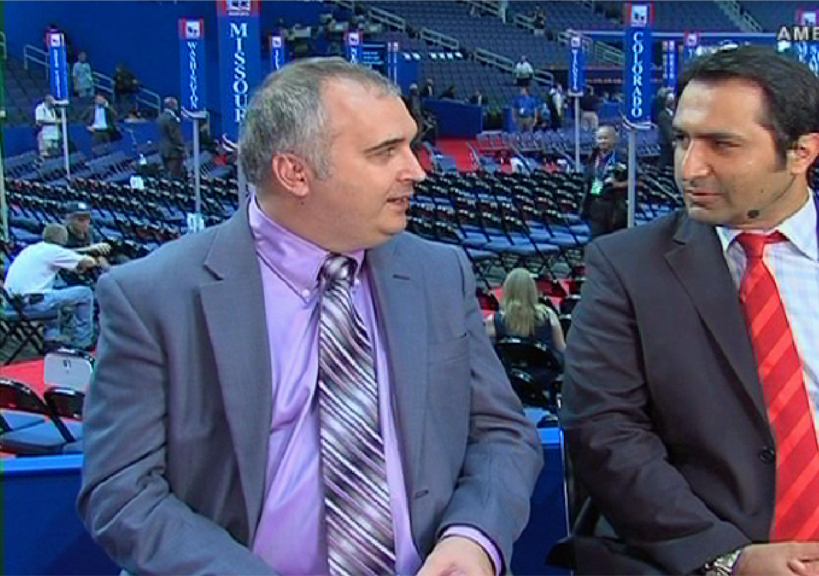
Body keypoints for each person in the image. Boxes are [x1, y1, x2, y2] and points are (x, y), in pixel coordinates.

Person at [77, 57, 542, 576]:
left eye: (410, 144)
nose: (416, 169)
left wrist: (473, 536)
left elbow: (503, 435)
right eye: (385, 151)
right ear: (295, 172)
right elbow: (121, 491)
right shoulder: (152, 297)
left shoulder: (439, 271)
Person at [561, 45, 819, 576]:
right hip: (695, 556)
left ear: (802, 151)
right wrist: (727, 558)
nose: (690, 166)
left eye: (722, 144)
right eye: (682, 139)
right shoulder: (625, 267)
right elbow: (603, 431)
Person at [3, 223, 97, 351]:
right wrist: (93, 254)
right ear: (64, 238)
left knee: (54, 294)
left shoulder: (31, 249)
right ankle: (82, 341)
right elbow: (89, 262)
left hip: (12, 303)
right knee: (85, 293)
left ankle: (52, 339)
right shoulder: (54, 251)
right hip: (32, 303)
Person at [484, 268, 567, 357]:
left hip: (508, 370)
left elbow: (487, 354)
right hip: (544, 369)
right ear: (533, 290)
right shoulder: (548, 315)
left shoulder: (492, 320)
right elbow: (562, 350)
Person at [580, 125, 627, 239]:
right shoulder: (592, 157)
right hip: (596, 205)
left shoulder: (623, 157)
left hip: (615, 207)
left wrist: (618, 184)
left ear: (613, 140)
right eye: (600, 138)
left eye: (606, 138)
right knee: (596, 241)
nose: (602, 141)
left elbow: (638, 181)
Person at [157, 97, 186, 180]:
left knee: (166, 172)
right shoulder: (171, 119)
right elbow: (175, 136)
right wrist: (182, 148)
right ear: (171, 105)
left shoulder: (160, 117)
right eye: (175, 104)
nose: (177, 106)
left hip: (163, 150)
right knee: (174, 175)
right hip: (173, 151)